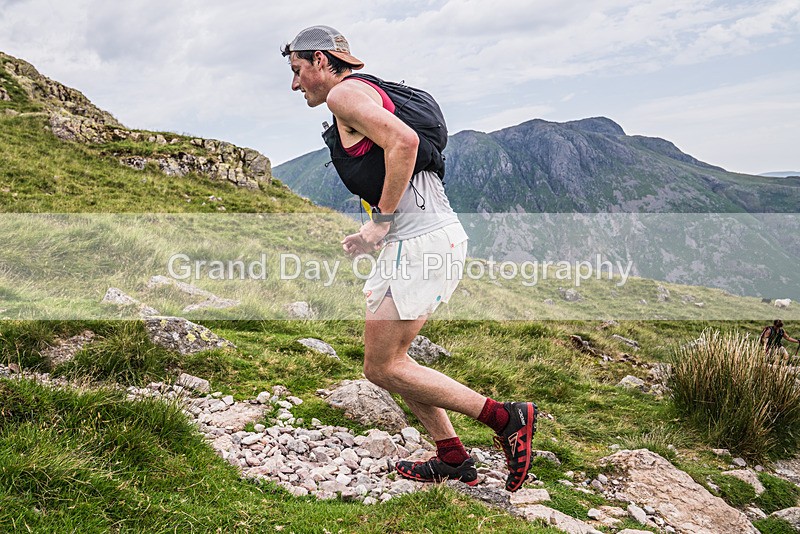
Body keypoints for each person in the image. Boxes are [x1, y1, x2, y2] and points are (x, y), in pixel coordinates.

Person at [282, 25, 537, 492]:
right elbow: (399, 164)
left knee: (380, 367)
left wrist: (380, 220)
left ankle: (505, 417)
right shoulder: (369, 91)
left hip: (422, 246)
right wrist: (374, 233)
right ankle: (452, 457)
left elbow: (405, 144)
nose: (295, 84)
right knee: (396, 360)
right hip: (422, 240)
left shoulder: (345, 95)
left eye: (297, 71)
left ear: (320, 60)